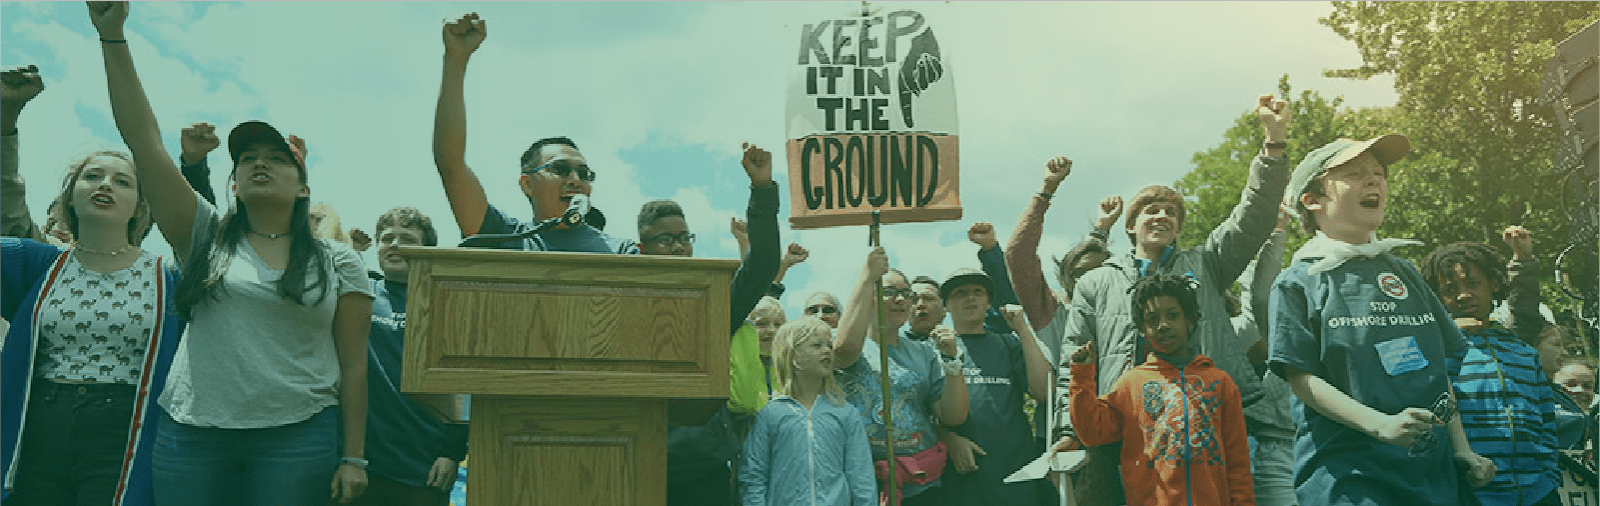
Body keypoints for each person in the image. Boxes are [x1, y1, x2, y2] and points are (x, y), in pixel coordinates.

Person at [90, 3, 374, 504]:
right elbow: (142, 139)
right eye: (247, 159)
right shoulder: (203, 233)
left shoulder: (340, 260)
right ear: (235, 184)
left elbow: (354, 365)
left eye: (276, 159)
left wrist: (353, 457)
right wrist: (113, 37)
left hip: (300, 435)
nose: (259, 164)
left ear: (304, 187)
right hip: (191, 434)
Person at [1060, 95, 1291, 505]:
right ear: (1130, 226)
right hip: (1122, 432)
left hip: (1205, 427)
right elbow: (1072, 360)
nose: (1162, 216)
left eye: (1171, 211)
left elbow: (1252, 215)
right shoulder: (1095, 282)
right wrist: (1066, 429)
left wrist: (1273, 144)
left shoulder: (1208, 264)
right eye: (1151, 210)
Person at [1267, 133, 1494, 506]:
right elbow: (1302, 379)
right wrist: (1380, 424)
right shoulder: (1299, 281)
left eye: (1378, 173)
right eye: (1354, 174)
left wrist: (1462, 449)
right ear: (1312, 201)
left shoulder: (1405, 272)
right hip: (1351, 481)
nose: (1374, 180)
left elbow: (1436, 374)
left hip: (1431, 479)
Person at [1, 64, 184, 506]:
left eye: (123, 181)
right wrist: (5, 121)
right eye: (93, 176)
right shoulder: (38, 264)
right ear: (70, 195)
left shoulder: (167, 278)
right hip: (38, 428)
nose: (106, 184)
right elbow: (6, 199)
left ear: (141, 206)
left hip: (123, 434)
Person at [639, 143, 783, 506]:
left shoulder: (713, 307)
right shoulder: (626, 305)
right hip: (641, 464)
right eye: (665, 240)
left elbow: (763, 264)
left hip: (707, 472)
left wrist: (762, 189)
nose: (678, 247)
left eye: (684, 238)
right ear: (642, 248)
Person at [433, 12, 635, 254]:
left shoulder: (622, 251)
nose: (575, 180)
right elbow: (451, 164)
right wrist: (456, 60)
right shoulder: (504, 238)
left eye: (584, 173)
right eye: (560, 170)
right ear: (527, 184)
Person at [1067, 273, 1255, 505]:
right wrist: (1082, 376)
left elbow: (1238, 459)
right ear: (1142, 330)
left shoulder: (1220, 382)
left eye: (1173, 315)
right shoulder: (1131, 383)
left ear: (1191, 320)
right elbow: (1092, 432)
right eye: (1152, 319)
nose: (1163, 325)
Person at [1421, 227, 1562, 506]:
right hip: (1470, 492)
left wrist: (1549, 473)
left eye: (1473, 284)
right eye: (1450, 290)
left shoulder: (1522, 350)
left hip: (1538, 491)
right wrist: (1447, 334)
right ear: (1437, 299)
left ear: (1494, 284)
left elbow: (1546, 417)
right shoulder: (1434, 350)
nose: (1463, 295)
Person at [348, 207, 468, 506]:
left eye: (407, 238)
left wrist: (453, 452)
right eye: (387, 238)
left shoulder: (446, 301)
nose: (395, 245)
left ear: (428, 250)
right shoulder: (361, 293)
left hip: (424, 464)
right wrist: (349, 250)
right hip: (358, 461)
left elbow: (462, 384)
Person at [834, 247, 969, 505]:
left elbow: (953, 416)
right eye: (888, 292)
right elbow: (842, 352)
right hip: (859, 483)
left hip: (921, 484)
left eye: (906, 294)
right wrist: (866, 275)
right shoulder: (849, 344)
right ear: (868, 297)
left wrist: (952, 361)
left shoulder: (925, 353)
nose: (901, 300)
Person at [935, 268, 1057, 505]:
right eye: (960, 293)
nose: (970, 298)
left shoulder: (1008, 343)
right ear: (946, 305)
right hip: (962, 473)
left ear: (988, 301)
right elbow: (923, 411)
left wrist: (1022, 330)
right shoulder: (935, 350)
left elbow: (1044, 391)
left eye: (977, 292)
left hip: (1015, 469)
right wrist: (948, 438)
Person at [738, 316, 877, 506]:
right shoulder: (770, 414)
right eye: (817, 345)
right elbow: (754, 476)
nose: (827, 351)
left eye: (829, 345)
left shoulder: (845, 413)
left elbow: (862, 476)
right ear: (794, 357)